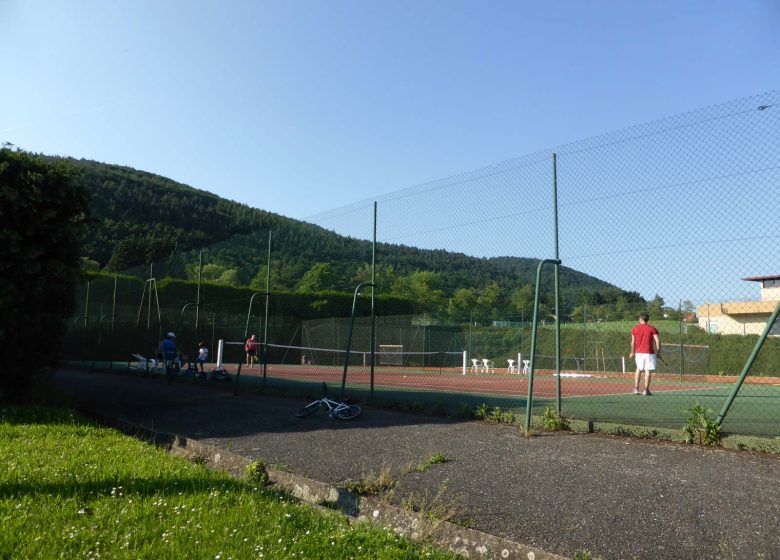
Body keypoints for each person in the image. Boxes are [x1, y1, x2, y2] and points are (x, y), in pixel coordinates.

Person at [629, 313, 661, 396]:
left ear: (640, 319)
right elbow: (657, 341)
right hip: (649, 353)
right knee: (648, 371)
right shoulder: (652, 328)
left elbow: (632, 342)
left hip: (638, 353)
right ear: (647, 320)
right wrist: (659, 352)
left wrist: (632, 352)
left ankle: (636, 389)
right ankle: (646, 390)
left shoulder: (635, 328)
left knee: (638, 369)